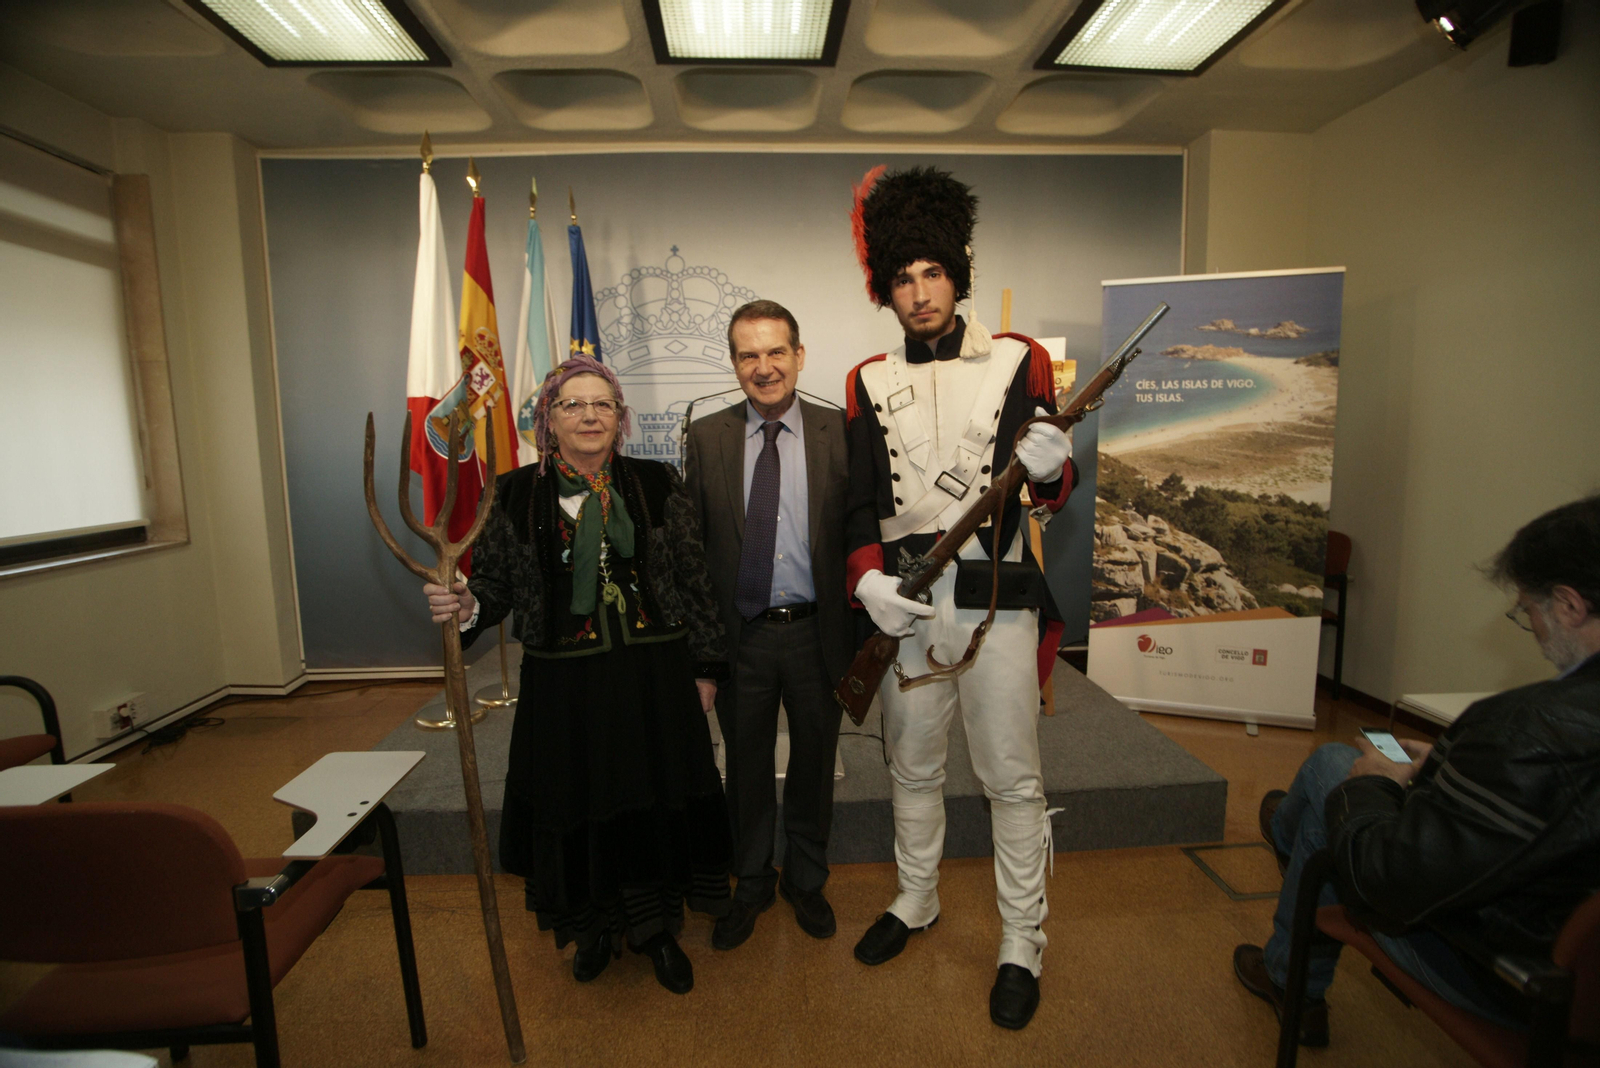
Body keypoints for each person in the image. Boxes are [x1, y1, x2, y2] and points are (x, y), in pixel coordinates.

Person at [841, 165, 1079, 1030]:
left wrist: (1052, 470)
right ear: (886, 289)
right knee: (911, 765)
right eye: (902, 278)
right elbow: (860, 498)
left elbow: (1048, 483)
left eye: (932, 272)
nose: (919, 292)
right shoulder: (864, 379)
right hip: (907, 605)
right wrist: (866, 578)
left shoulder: (1021, 360)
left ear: (957, 273)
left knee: (1012, 777)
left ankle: (1022, 940)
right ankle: (916, 897)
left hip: (995, 598)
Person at [1234, 494, 1600, 1046]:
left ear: (1569, 605)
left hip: (1512, 976)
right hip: (1566, 958)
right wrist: (1455, 770)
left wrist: (1375, 784)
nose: (1533, 626)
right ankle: (1288, 835)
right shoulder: (1538, 732)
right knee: (1337, 782)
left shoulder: (1526, 729)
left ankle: (1291, 975)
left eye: (1527, 611)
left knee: (1335, 775)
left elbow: (1382, 883)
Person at [423, 355, 732, 995]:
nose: (590, 415)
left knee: (652, 798)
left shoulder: (656, 481)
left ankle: (654, 929)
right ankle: (592, 929)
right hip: (565, 686)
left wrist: (705, 667)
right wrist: (467, 604)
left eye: (603, 404)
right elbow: (496, 584)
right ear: (549, 420)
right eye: (573, 405)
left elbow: (692, 576)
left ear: (620, 418)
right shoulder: (512, 493)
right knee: (580, 799)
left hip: (653, 677)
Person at [683, 300, 853, 949]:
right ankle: (751, 878)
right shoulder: (708, 437)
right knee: (746, 764)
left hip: (818, 633)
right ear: (734, 364)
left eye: (776, 351)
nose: (764, 367)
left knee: (815, 760)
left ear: (799, 356)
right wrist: (702, 651)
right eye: (748, 355)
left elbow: (860, 532)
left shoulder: (841, 432)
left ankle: (805, 879)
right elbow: (695, 549)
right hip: (742, 636)